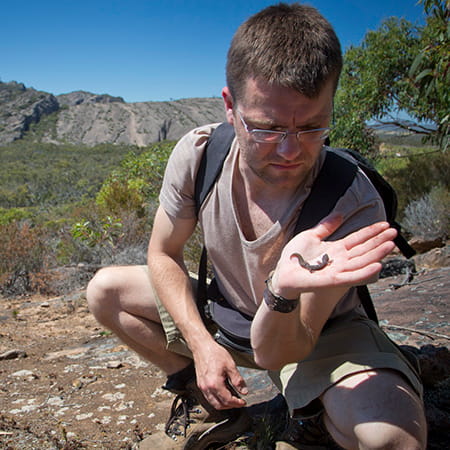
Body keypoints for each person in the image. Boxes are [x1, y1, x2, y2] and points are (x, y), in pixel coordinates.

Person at [86, 3, 427, 449]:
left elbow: (280, 350)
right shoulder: (201, 155)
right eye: (265, 128)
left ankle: (312, 407)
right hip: (227, 316)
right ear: (230, 107)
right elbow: (162, 254)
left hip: (317, 335)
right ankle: (202, 395)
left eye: (311, 126)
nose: (289, 150)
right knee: (105, 291)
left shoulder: (351, 201)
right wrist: (203, 347)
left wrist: (282, 291)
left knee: (390, 439)